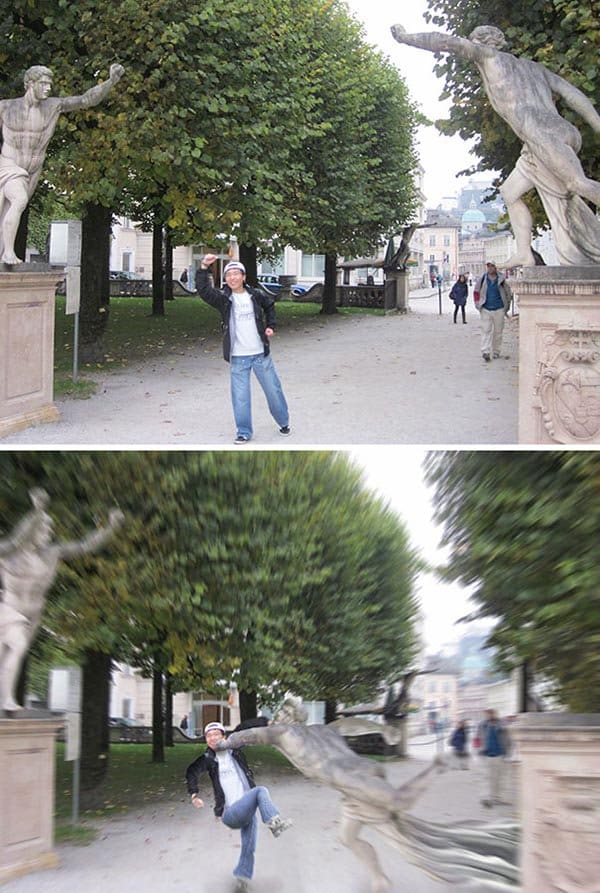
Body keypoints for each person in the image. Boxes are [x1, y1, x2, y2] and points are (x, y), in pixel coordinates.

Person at [391, 24, 600, 267]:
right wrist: (596, 123)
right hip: (552, 135)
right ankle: (524, 253)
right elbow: (572, 94)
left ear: (483, 42)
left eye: (474, 41)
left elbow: (446, 42)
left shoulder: (489, 56)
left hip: (542, 134)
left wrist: (405, 38)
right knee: (510, 192)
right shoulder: (534, 68)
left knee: (577, 183)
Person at [0, 488, 124, 711]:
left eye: (50, 529)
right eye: (45, 529)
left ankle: (5, 699)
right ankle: (7, 699)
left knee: (9, 656)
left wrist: (110, 528)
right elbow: (16, 540)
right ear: (32, 530)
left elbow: (84, 546)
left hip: (33, 614)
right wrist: (37, 512)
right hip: (9, 608)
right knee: (16, 646)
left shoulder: (51, 554)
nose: (49, 533)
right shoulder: (9, 554)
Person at [0, 63, 125, 265]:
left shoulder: (53, 106)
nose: (48, 88)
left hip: (32, 170)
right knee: (19, 200)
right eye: (43, 84)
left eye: (49, 84)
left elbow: (85, 100)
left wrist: (111, 82)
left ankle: (3, 253)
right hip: (9, 164)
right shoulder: (6, 107)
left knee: (8, 211)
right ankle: (8, 253)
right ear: (30, 83)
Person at [185, 721, 292, 892]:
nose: (212, 738)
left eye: (216, 734)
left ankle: (242, 880)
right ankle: (274, 822)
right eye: (208, 736)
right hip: (230, 813)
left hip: (247, 809)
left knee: (249, 847)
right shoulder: (208, 759)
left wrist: (266, 722)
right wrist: (194, 794)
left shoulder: (235, 751)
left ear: (224, 737)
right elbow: (191, 771)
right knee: (260, 791)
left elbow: (244, 729)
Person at [196, 254, 291, 444]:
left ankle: (284, 422)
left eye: (236, 274)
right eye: (228, 275)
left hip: (260, 355)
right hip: (238, 357)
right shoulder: (223, 299)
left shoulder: (255, 295)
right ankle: (244, 432)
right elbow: (204, 290)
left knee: (273, 391)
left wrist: (271, 325)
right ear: (226, 279)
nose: (232, 277)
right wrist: (204, 267)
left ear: (243, 276)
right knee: (240, 397)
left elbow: (270, 305)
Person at [474, 261, 512, 361]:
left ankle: (496, 351)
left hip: (499, 308)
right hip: (485, 308)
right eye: (488, 266)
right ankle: (485, 351)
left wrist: (507, 306)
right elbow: (476, 291)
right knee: (486, 330)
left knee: (498, 332)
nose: (490, 268)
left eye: (492, 266)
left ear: (496, 267)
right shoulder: (483, 279)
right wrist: (478, 304)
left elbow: (508, 293)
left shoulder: (502, 279)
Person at [478, 709, 510, 807]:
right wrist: (479, 750)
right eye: (487, 713)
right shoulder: (482, 725)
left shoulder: (502, 725)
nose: (489, 715)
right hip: (486, 755)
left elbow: (508, 740)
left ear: (495, 714)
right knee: (486, 778)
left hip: (499, 755)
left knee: (499, 778)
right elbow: (477, 739)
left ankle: (498, 798)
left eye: (491, 713)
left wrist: (507, 753)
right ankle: (486, 798)